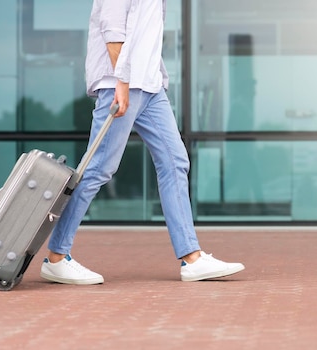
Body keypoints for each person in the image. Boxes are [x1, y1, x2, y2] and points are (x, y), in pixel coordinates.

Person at [39, 0, 245, 284]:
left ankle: (192, 258)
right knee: (98, 168)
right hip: (120, 85)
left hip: (150, 88)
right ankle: (56, 258)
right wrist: (121, 83)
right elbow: (112, 30)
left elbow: (147, 37)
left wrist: (158, 78)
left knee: (175, 162)